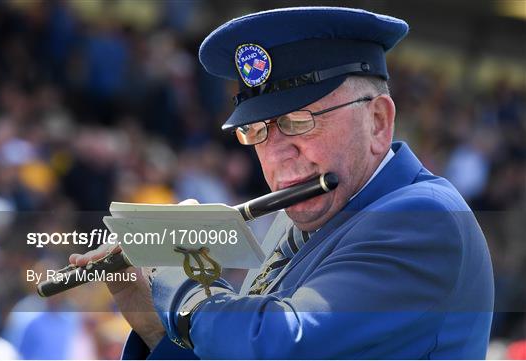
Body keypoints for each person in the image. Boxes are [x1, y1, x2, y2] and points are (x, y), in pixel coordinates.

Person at [71, 7, 494, 359]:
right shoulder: (300, 223)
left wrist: (185, 271)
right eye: (258, 131)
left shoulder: (425, 217)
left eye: (300, 122)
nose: (276, 154)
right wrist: (154, 325)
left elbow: (274, 347)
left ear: (378, 122)